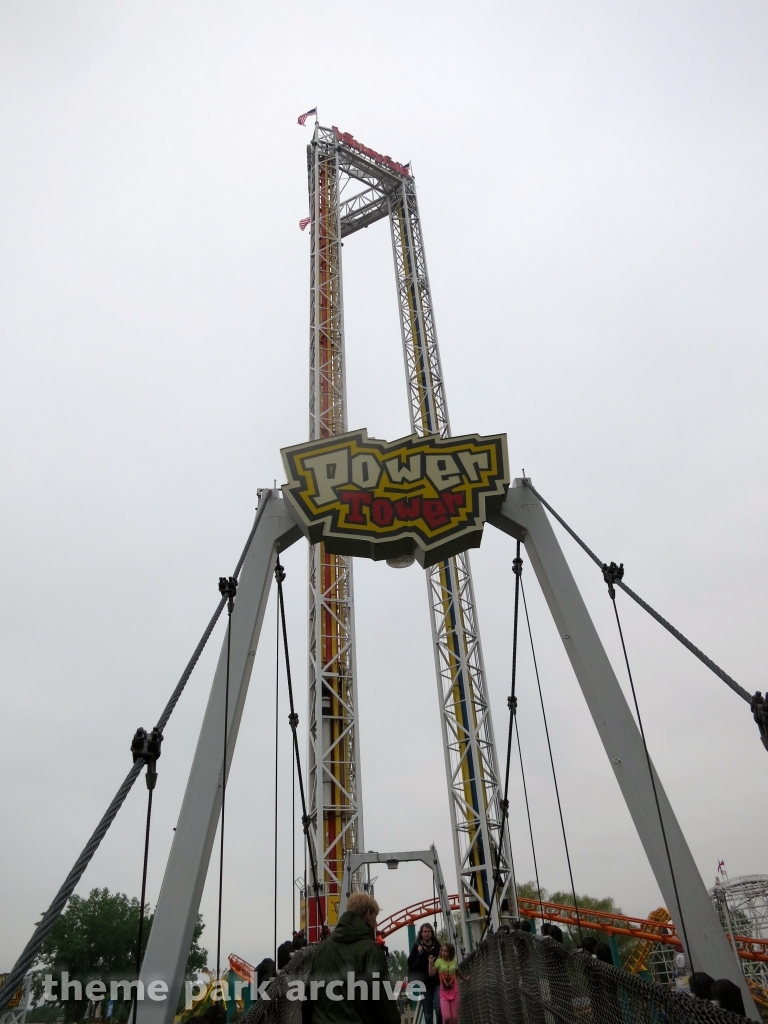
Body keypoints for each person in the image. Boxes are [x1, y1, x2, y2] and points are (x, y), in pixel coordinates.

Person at [305, 892, 399, 1024]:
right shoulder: (371, 950)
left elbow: (309, 997)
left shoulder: (322, 948)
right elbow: (383, 1003)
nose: (376, 923)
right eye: (375, 917)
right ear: (368, 914)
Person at [407, 923, 442, 1024]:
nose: (426, 934)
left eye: (428, 932)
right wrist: (418, 953)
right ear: (421, 933)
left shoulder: (437, 946)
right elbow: (410, 963)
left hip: (437, 982)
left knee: (438, 1007)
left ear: (431, 933)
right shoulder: (417, 946)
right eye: (424, 932)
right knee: (427, 1013)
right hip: (424, 984)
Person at [428, 942, 468, 1024]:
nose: (443, 953)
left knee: (454, 1018)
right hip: (444, 993)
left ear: (450, 952)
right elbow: (431, 973)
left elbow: (458, 971)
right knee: (446, 1018)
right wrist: (431, 963)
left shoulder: (454, 961)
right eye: (442, 950)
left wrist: (465, 979)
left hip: (454, 992)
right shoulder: (439, 961)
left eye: (446, 951)